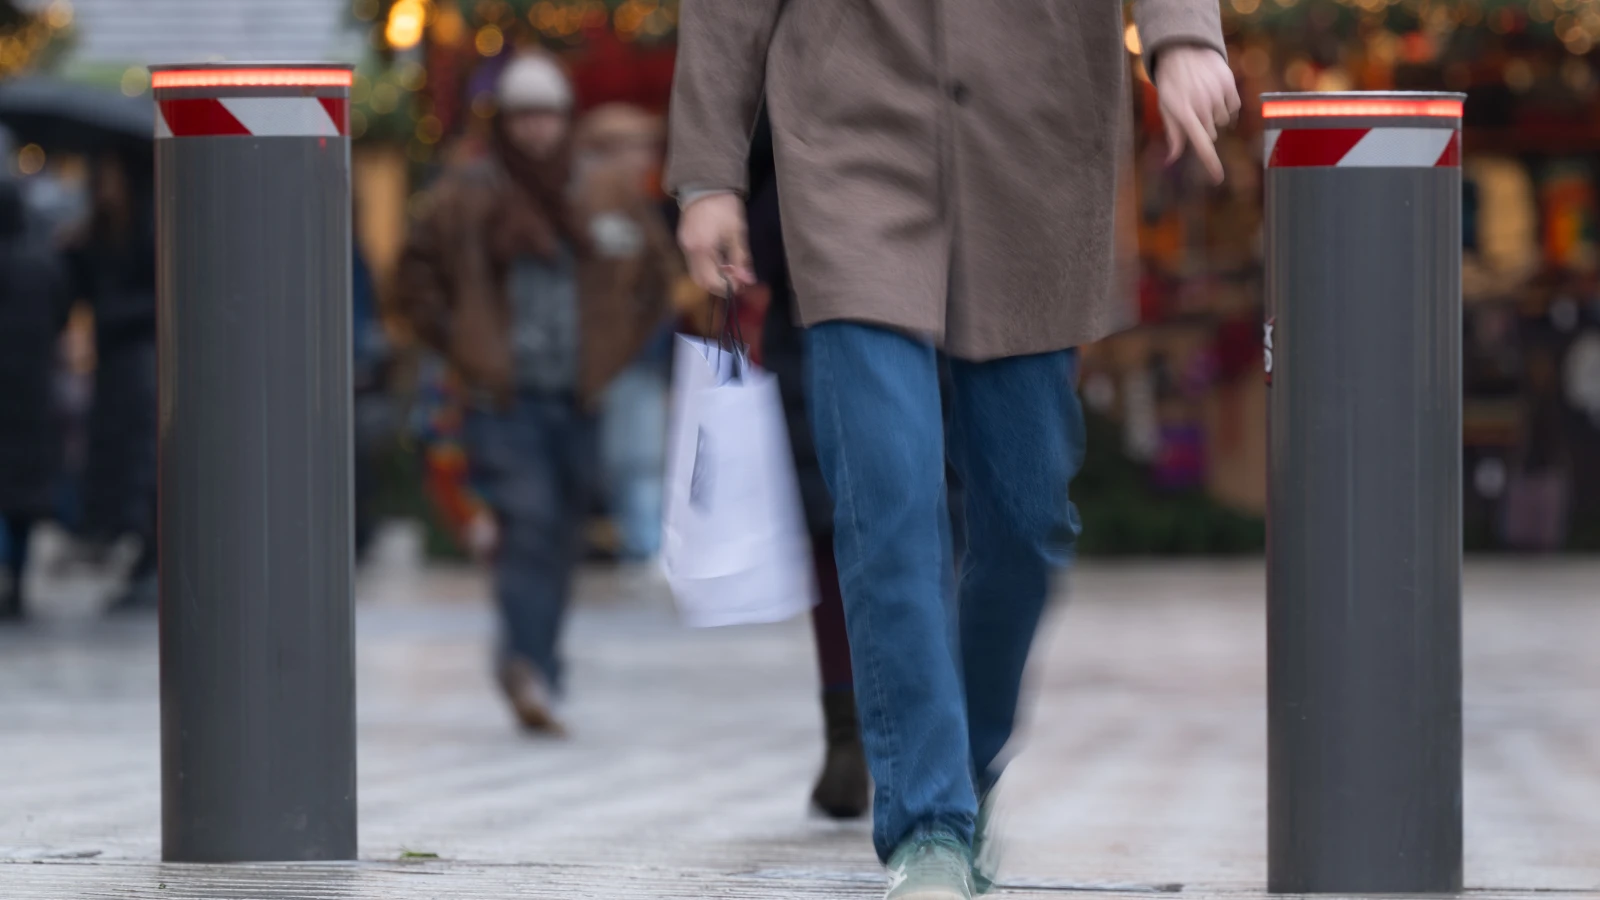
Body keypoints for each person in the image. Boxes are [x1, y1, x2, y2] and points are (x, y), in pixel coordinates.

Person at [667, 3, 1239, 897]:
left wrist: (1183, 32)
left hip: (1032, 149)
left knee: (1027, 519)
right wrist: (708, 172)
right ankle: (927, 825)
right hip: (853, 140)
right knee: (889, 497)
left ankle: (960, 771)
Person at [397, 52, 683, 735]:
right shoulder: (467, 195)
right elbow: (413, 281)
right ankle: (525, 663)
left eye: (547, 115)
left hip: (581, 394)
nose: (535, 130)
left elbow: (655, 277)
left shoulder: (604, 190)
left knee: (559, 535)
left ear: (566, 119)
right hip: (504, 398)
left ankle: (541, 667)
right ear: (506, 122)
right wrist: (463, 345)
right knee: (526, 525)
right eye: (523, 116)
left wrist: (616, 353)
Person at [575, 104, 674, 563]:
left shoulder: (640, 205)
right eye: (635, 147)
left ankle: (641, 542)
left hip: (638, 352)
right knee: (632, 456)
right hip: (611, 355)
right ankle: (641, 544)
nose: (646, 158)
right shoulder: (594, 202)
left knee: (638, 453)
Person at [66, 151, 159, 613]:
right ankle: (137, 551)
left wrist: (111, 314)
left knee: (142, 462)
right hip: (114, 366)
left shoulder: (148, 231)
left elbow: (156, 299)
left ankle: (149, 554)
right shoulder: (97, 236)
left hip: (141, 364)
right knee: (119, 462)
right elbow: (78, 288)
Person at [0, 176, 70, 621]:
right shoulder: (44, 265)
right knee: (22, 499)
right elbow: (62, 316)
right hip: (33, 393)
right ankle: (17, 581)